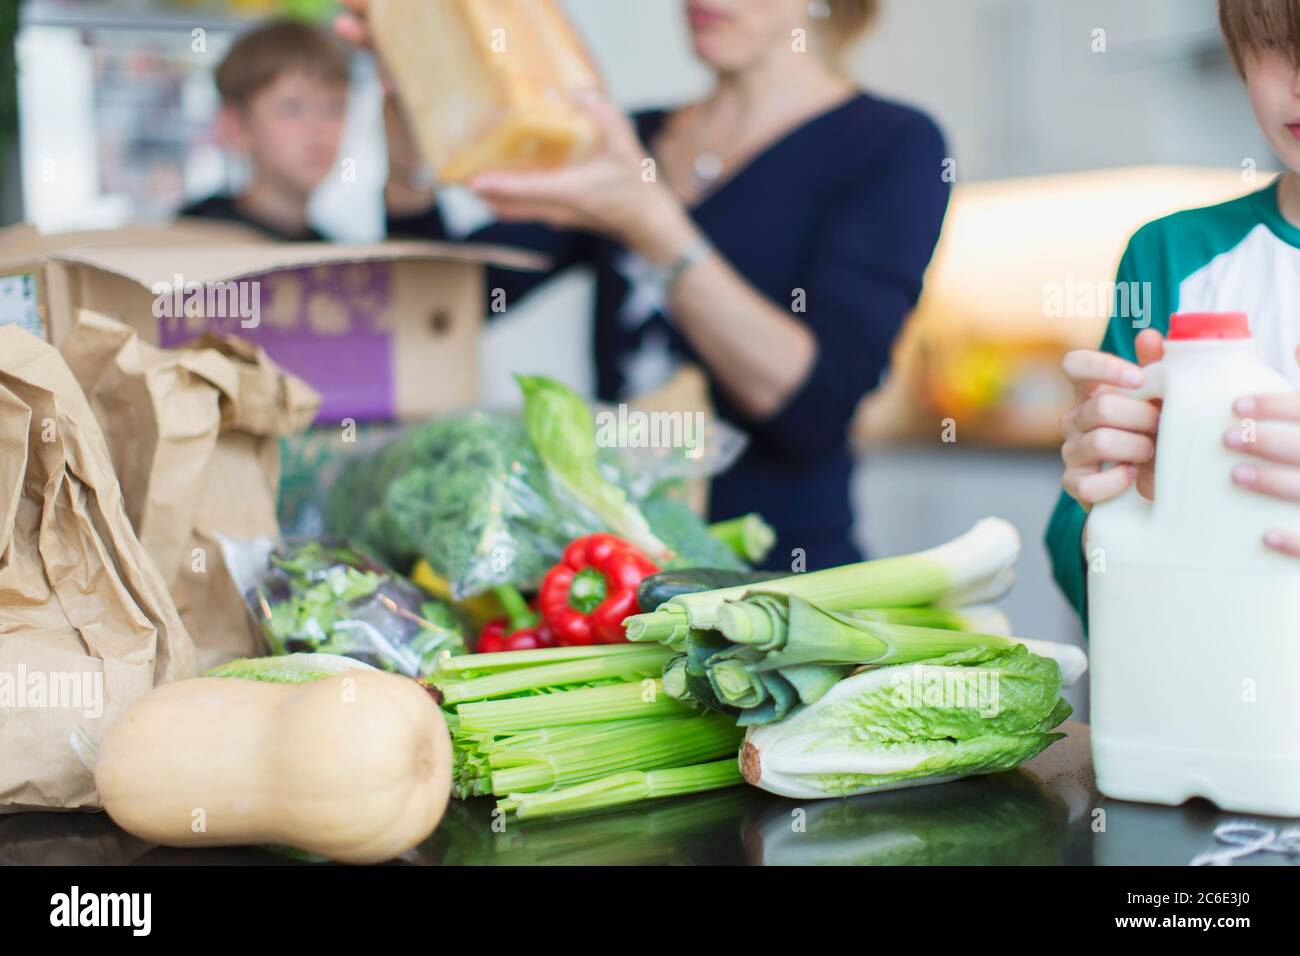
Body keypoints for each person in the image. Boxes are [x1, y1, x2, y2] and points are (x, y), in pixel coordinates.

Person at [335, 0, 950, 571]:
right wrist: (410, 142)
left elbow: (815, 405)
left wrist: (653, 225)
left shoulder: (891, 144)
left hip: (785, 581)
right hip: (623, 577)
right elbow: (446, 308)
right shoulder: (638, 139)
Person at [1046, 0, 1300, 621]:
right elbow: (1073, 539)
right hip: (1195, 698)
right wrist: (1120, 506)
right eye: (1276, 43)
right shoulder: (1171, 253)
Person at [180, 19, 350, 241]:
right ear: (236, 126)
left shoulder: (330, 253)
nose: (318, 127)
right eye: (292, 107)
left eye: (334, 108)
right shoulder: (193, 236)